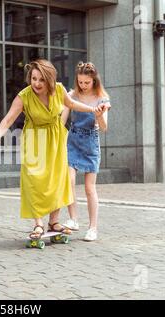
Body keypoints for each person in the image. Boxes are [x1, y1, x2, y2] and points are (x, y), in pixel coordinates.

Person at [0, 59, 105, 240]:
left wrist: (93, 110)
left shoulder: (58, 90)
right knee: (35, 180)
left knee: (57, 179)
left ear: (49, 80)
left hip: (56, 138)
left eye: (41, 80)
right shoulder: (24, 96)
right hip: (35, 139)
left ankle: (54, 221)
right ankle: (38, 223)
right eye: (34, 79)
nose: (36, 83)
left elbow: (71, 104)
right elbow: (9, 119)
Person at [64, 61, 111, 241]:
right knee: (69, 180)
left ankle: (93, 228)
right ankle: (73, 219)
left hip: (91, 142)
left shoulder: (102, 98)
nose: (83, 86)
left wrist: (99, 115)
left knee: (89, 188)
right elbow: (62, 120)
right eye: (80, 82)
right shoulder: (72, 95)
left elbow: (104, 127)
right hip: (73, 140)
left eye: (87, 82)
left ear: (94, 81)